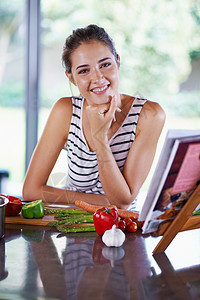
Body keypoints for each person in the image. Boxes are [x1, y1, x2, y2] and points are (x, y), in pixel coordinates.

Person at [22, 24, 166, 210]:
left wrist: (100, 136)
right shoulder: (65, 111)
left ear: (118, 62)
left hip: (122, 231)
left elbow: (122, 201)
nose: (97, 78)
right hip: (73, 227)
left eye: (105, 64)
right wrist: (101, 202)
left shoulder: (149, 115)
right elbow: (31, 190)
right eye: (83, 71)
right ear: (71, 77)